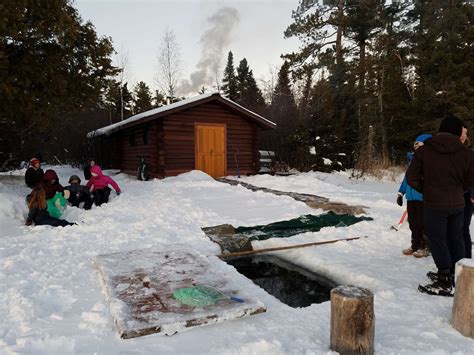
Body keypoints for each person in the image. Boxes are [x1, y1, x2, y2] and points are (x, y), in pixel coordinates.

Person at [406, 114, 474, 296]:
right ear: (458, 131)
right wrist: (460, 190)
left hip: (434, 204)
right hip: (458, 203)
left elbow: (411, 177)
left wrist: (426, 190)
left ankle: (445, 278)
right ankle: (457, 275)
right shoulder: (466, 153)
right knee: (456, 238)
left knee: (438, 239)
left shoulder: (425, 150)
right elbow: (471, 180)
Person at [397, 134, 432, 258]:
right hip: (411, 198)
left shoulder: (430, 161)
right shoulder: (413, 160)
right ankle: (415, 245)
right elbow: (408, 178)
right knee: (413, 223)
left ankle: (425, 246)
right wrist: (401, 192)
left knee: (423, 224)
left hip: (423, 198)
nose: (416, 148)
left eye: (419, 146)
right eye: (415, 146)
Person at [461, 125, 472, 259]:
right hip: (449, 196)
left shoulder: (469, 153)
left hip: (466, 196)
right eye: (461, 132)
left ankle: (466, 261)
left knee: (463, 229)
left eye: (466, 133)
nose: (464, 135)